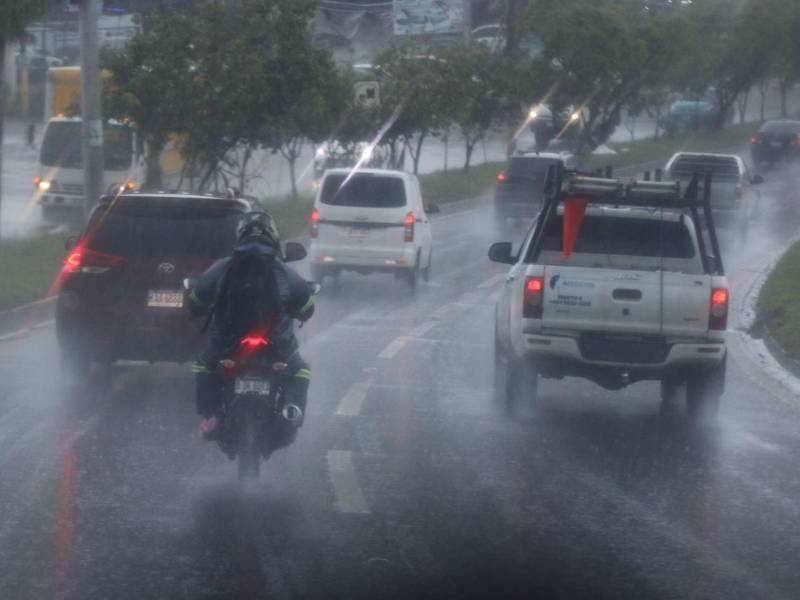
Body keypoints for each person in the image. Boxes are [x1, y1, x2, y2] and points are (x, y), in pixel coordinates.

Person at [188, 211, 314, 453]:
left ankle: (211, 415)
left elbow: (197, 300)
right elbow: (307, 307)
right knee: (300, 370)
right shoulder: (283, 271)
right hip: (276, 346)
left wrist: (199, 306)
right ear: (273, 238)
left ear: (239, 236)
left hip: (227, 344)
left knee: (204, 366)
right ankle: (292, 409)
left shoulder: (224, 267)